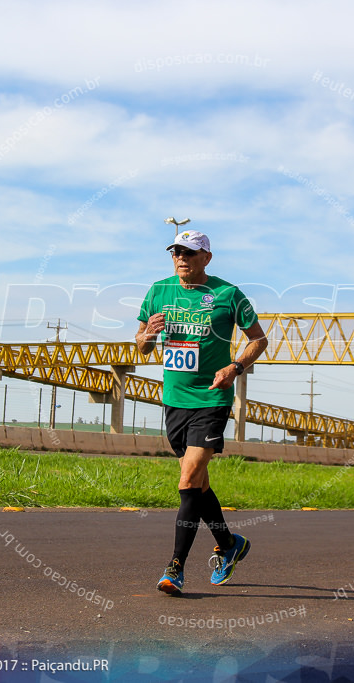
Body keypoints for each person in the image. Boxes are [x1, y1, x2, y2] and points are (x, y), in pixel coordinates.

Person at [135, 229, 268, 595]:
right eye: (176, 252)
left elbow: (258, 339)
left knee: (188, 479)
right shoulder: (158, 291)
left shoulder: (228, 294)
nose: (181, 258)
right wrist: (147, 337)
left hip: (212, 398)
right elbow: (142, 346)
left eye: (189, 253)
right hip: (175, 399)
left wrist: (235, 368)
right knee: (198, 484)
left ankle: (175, 567)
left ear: (206, 258)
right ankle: (229, 545)